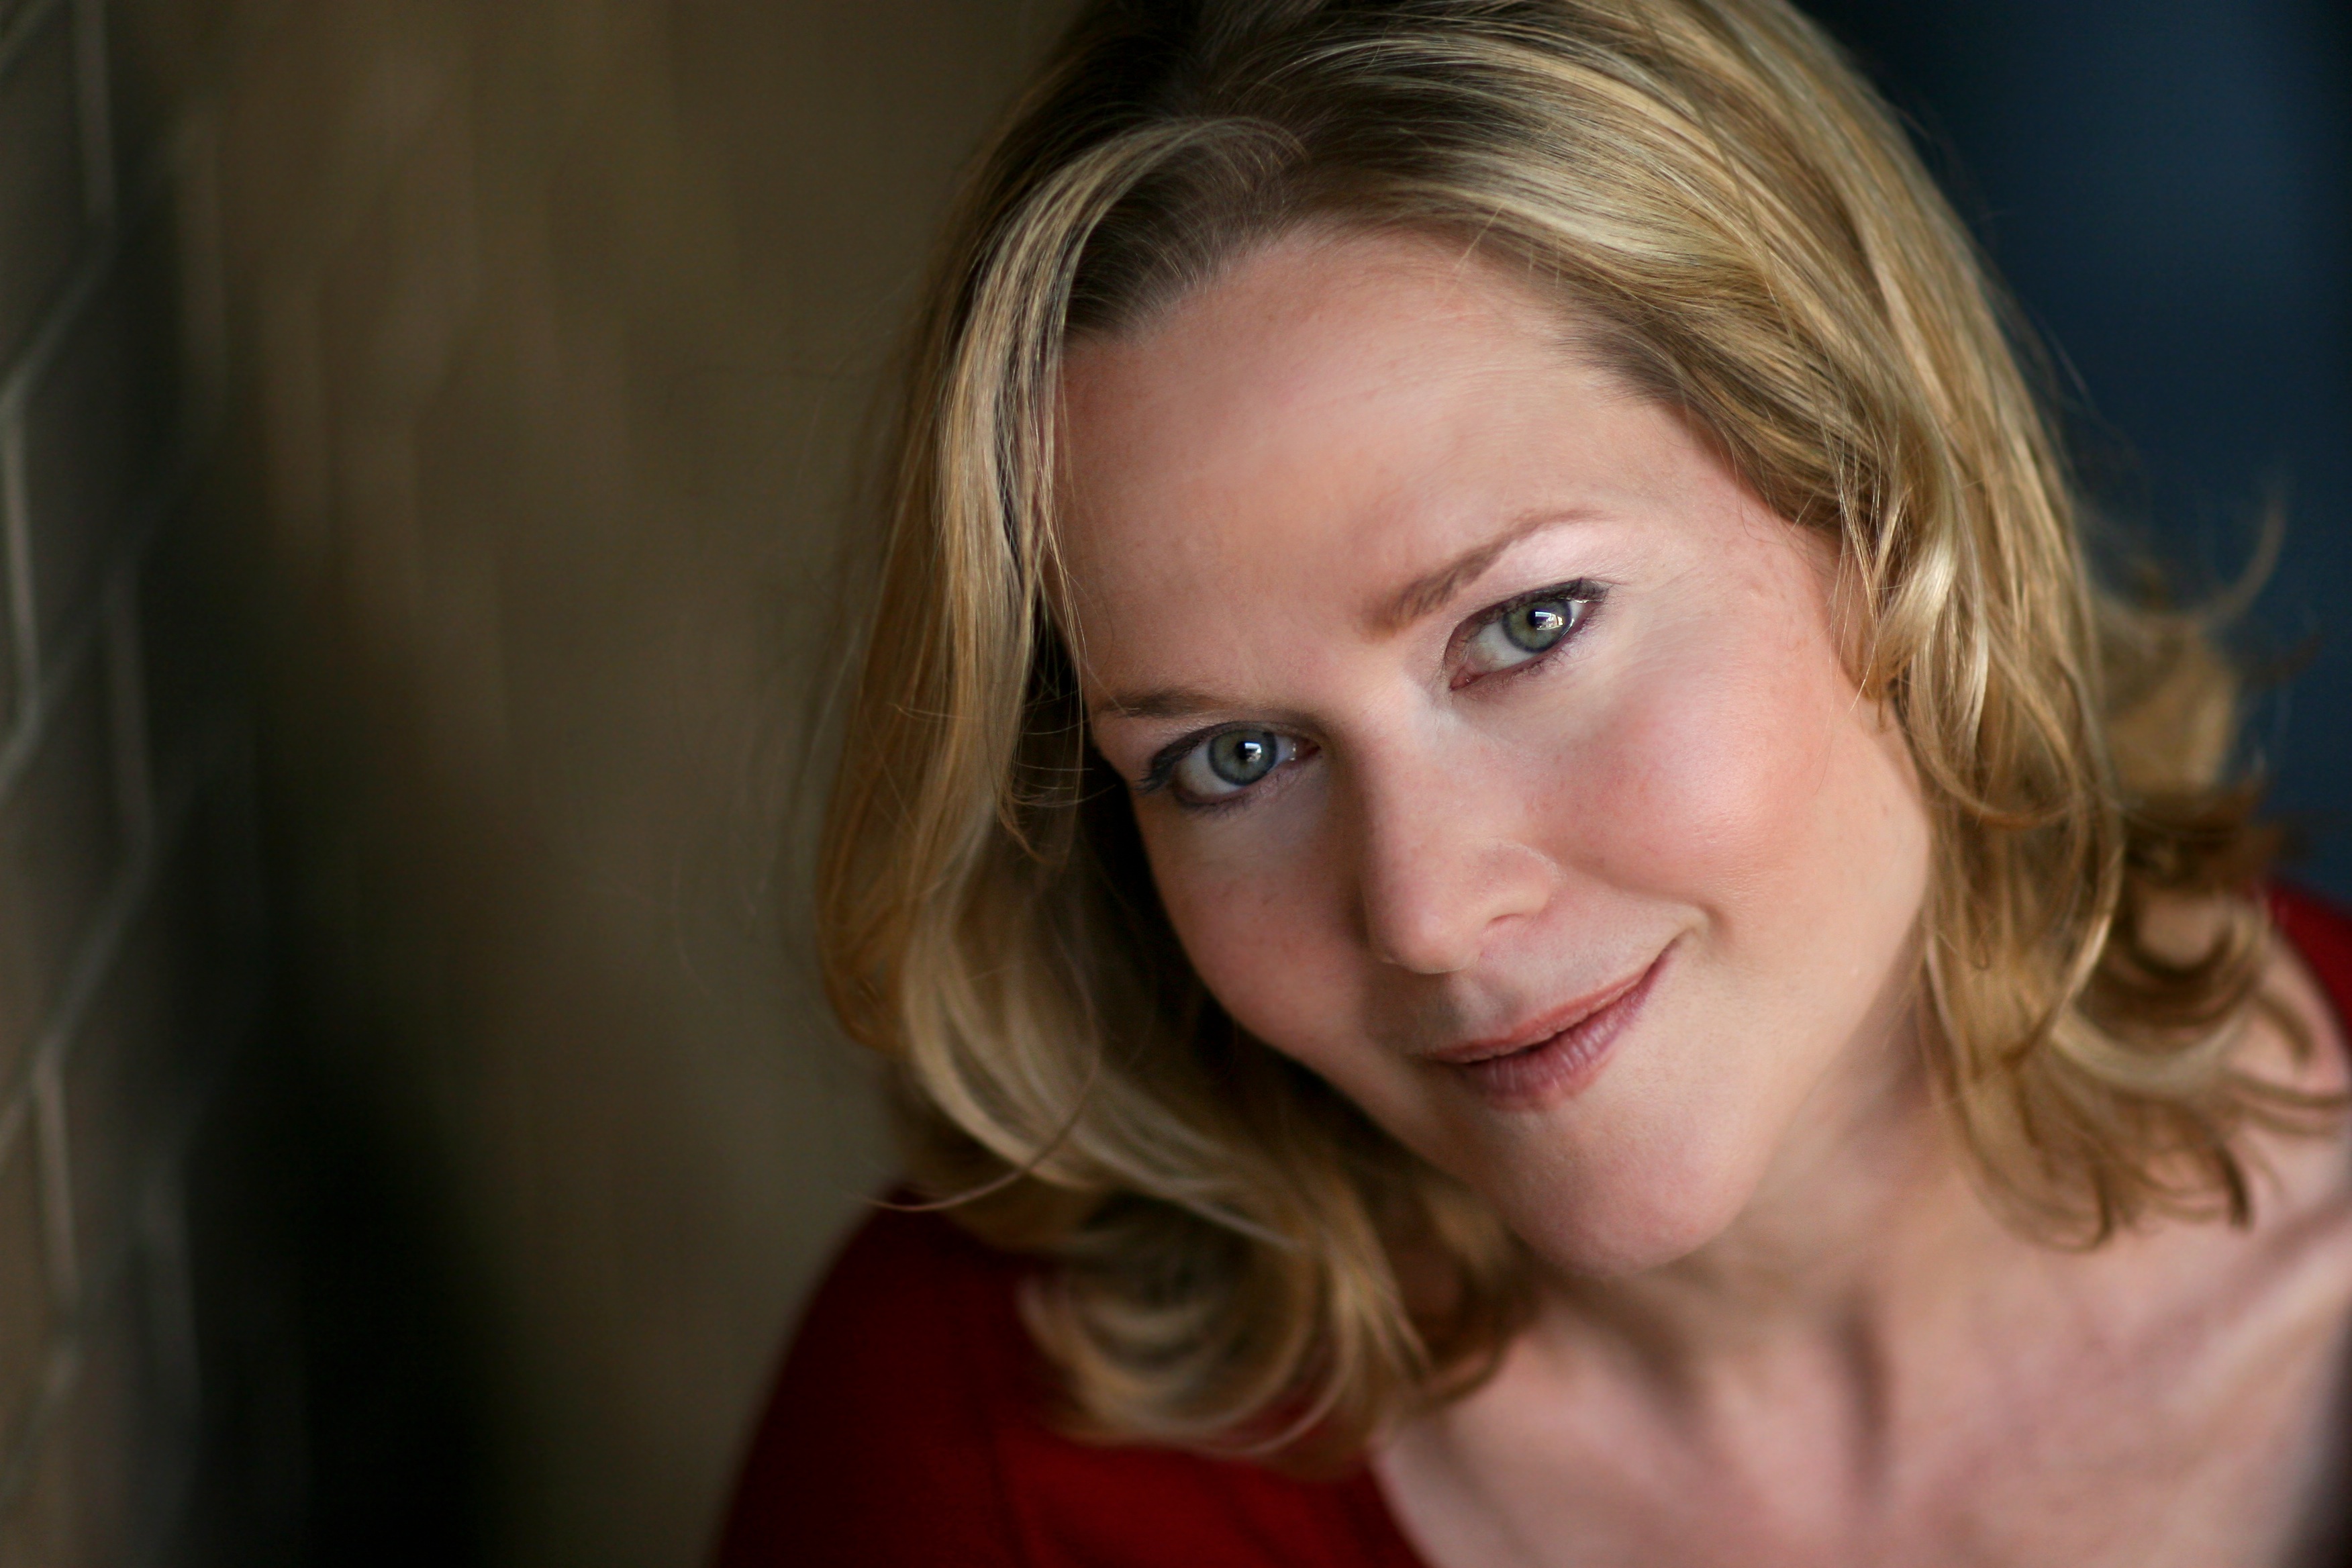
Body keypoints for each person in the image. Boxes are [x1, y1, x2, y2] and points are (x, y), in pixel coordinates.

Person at [717, 1, 2352, 1562]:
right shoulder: (972, 1470)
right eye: (1232, 758)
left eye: (1526, 624)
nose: (1426, 914)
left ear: (1886, 500)